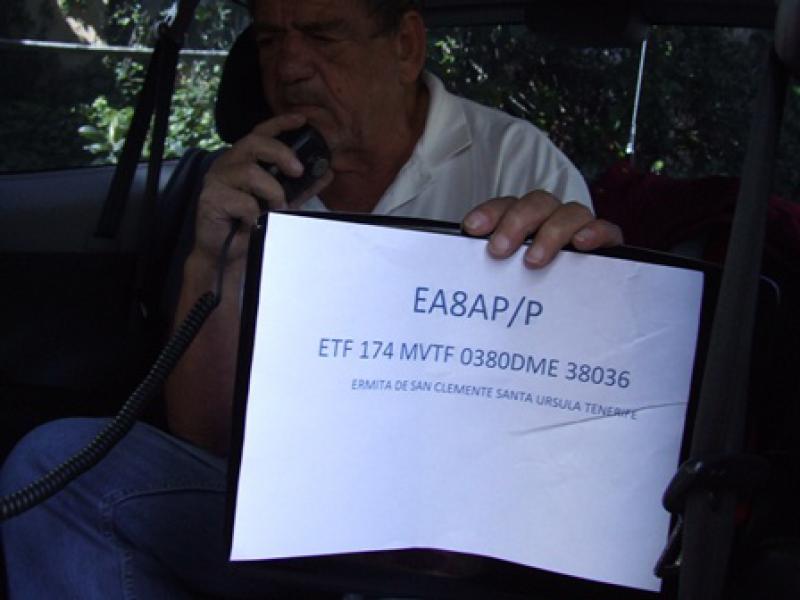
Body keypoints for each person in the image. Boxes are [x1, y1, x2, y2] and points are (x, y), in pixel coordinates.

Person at [0, 0, 622, 597]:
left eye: (324, 36)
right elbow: (203, 437)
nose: (290, 68)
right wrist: (217, 259)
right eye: (271, 40)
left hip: (444, 527)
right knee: (51, 465)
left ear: (406, 46)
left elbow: (562, 447)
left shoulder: (517, 163)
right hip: (274, 510)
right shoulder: (249, 183)